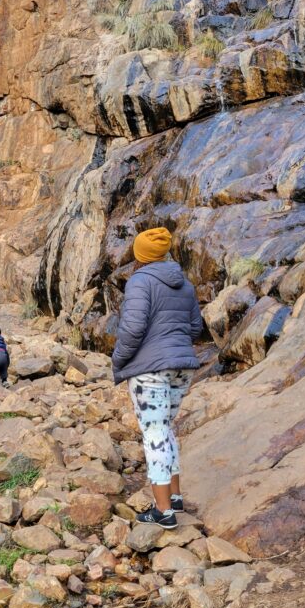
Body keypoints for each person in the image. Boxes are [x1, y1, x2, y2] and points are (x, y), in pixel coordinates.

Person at [111, 227, 203, 530]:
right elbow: (194, 328)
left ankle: (163, 511)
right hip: (182, 366)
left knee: (154, 433)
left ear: (140, 255)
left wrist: (120, 359)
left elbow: (133, 328)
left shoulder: (140, 281)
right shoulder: (185, 284)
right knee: (165, 429)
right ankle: (174, 496)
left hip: (150, 368)